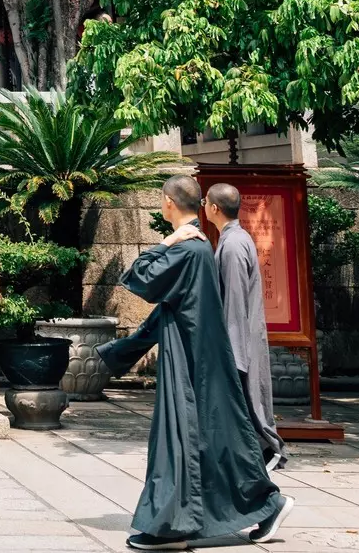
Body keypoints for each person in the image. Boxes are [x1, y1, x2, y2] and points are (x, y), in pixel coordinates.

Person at [98, 175, 292, 551]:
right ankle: (258, 505)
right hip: (193, 352)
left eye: (161, 199)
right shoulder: (203, 246)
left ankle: (172, 525)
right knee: (211, 440)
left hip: (192, 357)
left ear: (170, 203)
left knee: (181, 438)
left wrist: (166, 240)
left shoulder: (188, 248)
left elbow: (138, 277)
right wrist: (124, 350)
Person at [206, 182, 288, 471]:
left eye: (206, 202)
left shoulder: (232, 245)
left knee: (248, 404)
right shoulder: (234, 239)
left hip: (238, 339)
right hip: (239, 337)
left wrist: (233, 357)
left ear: (214, 208)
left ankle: (264, 455)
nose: (204, 206)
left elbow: (235, 304)